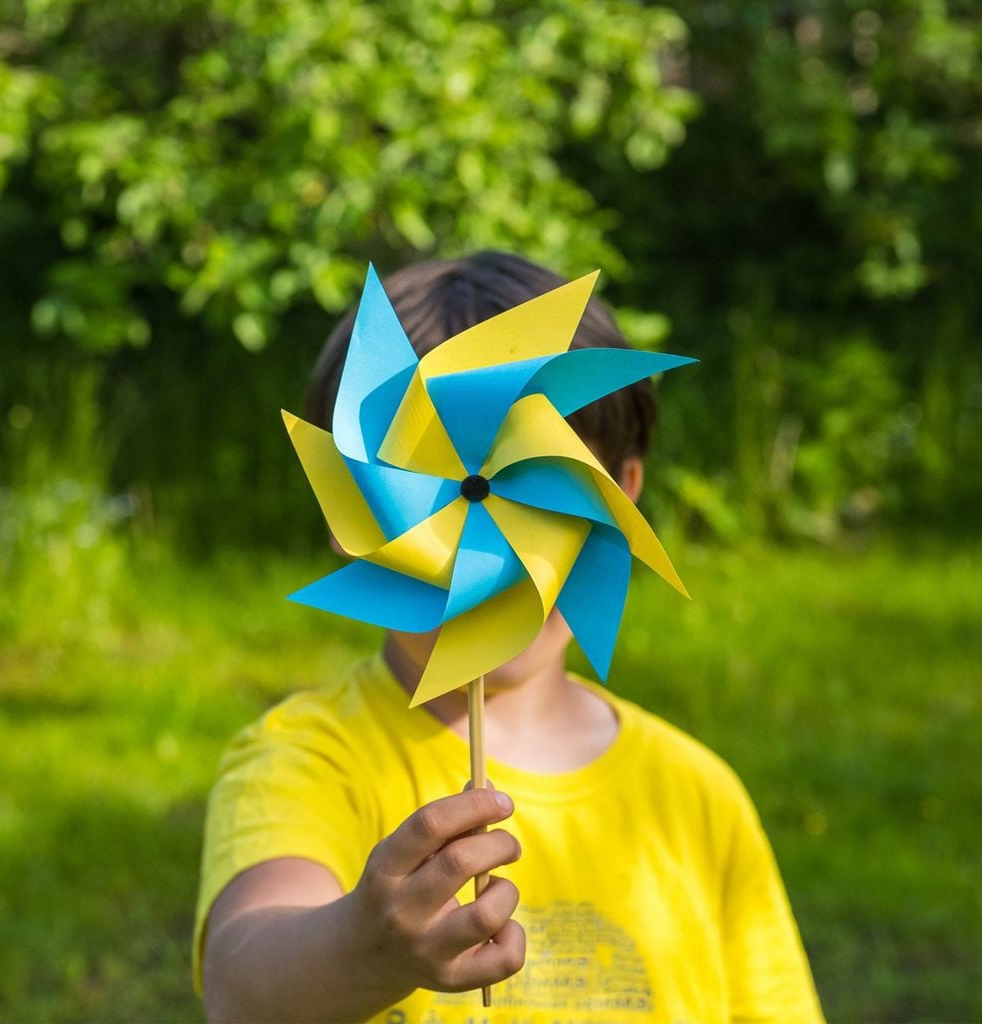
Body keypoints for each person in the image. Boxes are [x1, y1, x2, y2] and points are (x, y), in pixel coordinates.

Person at [194, 251, 824, 1023]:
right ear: (351, 516)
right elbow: (245, 990)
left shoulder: (699, 796)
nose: (474, 544)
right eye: (439, 493)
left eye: (524, 483)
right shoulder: (304, 765)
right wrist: (364, 951)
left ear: (619, 497)